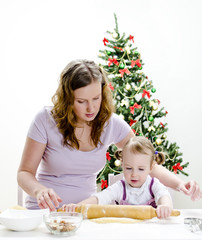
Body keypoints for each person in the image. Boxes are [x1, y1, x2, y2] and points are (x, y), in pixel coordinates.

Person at [17, 59, 201, 212]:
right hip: (44, 213)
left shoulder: (110, 123)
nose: (91, 108)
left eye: (96, 98)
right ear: (67, 99)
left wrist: (180, 184)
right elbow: (24, 173)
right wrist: (39, 191)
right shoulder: (45, 120)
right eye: (81, 101)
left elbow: (146, 162)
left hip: (85, 214)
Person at [62, 136, 173, 219]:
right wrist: (78, 207)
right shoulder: (120, 187)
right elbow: (100, 198)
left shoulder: (153, 185)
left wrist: (165, 206)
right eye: (129, 168)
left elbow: (163, 195)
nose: (134, 174)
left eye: (141, 169)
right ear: (122, 164)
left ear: (151, 167)